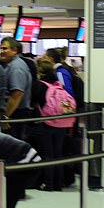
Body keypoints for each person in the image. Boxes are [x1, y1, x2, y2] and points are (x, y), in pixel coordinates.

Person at [30, 59, 67, 191]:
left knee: (47, 154)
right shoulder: (58, 84)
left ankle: (48, 183)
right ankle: (58, 183)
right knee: (58, 153)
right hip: (62, 123)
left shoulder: (39, 85)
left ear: (40, 72)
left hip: (46, 123)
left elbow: (33, 102)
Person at [0, 37, 33, 141]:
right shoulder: (12, 65)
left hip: (15, 113)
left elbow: (16, 94)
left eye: (5, 49)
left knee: (13, 147)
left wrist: (5, 116)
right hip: (15, 112)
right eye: (1, 48)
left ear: (14, 50)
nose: (1, 52)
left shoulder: (16, 68)